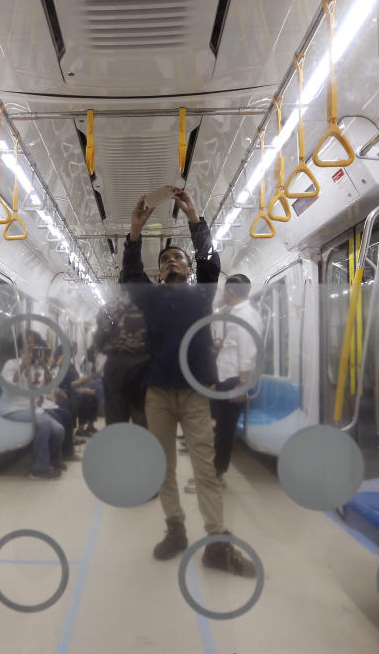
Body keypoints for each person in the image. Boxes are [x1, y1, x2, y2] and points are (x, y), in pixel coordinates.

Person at [121, 187, 256, 577]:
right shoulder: (150, 299)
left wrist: (196, 219)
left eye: (177, 257)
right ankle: (176, 529)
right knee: (163, 467)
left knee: (205, 469)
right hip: (158, 394)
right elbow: (131, 273)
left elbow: (211, 262)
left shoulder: (203, 294)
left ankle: (216, 542)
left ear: (188, 266)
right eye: (164, 260)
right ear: (159, 270)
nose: (171, 262)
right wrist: (134, 233)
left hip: (195, 393)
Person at [185, 274, 262, 493]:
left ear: (229, 292)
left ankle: (215, 477)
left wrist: (242, 384)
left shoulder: (245, 315)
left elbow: (248, 351)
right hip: (227, 378)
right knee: (220, 429)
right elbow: (235, 346)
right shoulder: (236, 314)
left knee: (224, 431)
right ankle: (214, 475)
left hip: (234, 380)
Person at [0, 330, 66, 479]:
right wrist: (23, 365)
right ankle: (39, 469)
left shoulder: (38, 367)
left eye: (34, 343)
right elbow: (7, 387)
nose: (31, 346)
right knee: (43, 423)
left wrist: (45, 366)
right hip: (12, 408)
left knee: (59, 429)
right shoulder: (11, 364)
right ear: (21, 347)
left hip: (32, 409)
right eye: (28, 343)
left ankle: (54, 461)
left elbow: (48, 387)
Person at [93, 287, 149, 426]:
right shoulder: (150, 307)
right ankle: (143, 445)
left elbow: (99, 341)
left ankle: (118, 445)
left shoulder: (108, 308)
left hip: (115, 367)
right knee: (142, 419)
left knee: (116, 419)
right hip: (142, 366)